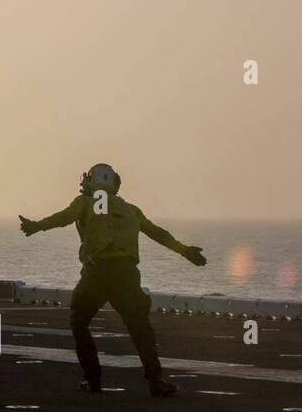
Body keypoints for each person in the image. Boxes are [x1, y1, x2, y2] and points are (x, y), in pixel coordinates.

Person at [18, 164, 207, 397]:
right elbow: (158, 233)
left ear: (88, 181)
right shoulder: (131, 210)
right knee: (139, 326)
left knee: (79, 321)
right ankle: (155, 380)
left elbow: (63, 218)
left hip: (96, 273)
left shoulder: (85, 202)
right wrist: (185, 251)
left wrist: (36, 226)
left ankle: (93, 379)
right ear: (116, 183)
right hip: (126, 274)